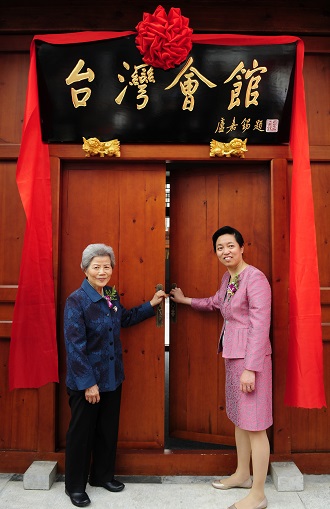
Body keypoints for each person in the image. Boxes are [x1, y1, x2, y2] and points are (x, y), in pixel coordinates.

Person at [170, 226, 272, 509]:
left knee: (256, 425)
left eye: (230, 246)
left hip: (252, 360)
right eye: (220, 248)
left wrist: (251, 368)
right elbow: (216, 303)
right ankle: (242, 474)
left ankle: (259, 493)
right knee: (241, 419)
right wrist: (185, 300)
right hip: (233, 355)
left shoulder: (256, 278)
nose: (225, 251)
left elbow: (261, 325)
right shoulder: (230, 277)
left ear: (242, 247)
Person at [64, 243, 165, 507]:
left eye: (106, 266)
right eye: (96, 267)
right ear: (85, 270)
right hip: (88, 382)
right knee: (82, 433)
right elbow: (75, 346)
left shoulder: (110, 294)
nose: (102, 271)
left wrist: (150, 305)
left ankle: (102, 476)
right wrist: (88, 384)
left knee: (107, 430)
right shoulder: (76, 301)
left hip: (112, 377)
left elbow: (125, 319)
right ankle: (75, 486)